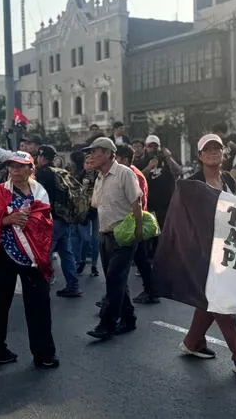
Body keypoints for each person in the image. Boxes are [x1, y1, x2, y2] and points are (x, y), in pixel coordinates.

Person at [0, 151, 58, 368]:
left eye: (20, 166)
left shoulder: (40, 192)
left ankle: (44, 353)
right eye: (12, 166)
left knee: (39, 306)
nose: (15, 171)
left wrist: (30, 222)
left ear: (30, 169)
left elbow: (45, 223)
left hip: (33, 258)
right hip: (4, 257)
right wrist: (6, 219)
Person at [181, 134, 236, 376]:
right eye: (208, 149)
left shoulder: (229, 181)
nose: (213, 152)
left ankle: (192, 342)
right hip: (201, 252)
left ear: (223, 153)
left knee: (211, 300)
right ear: (200, 155)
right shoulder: (191, 184)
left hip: (227, 249)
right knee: (220, 299)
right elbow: (184, 221)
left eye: (217, 148)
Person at [84, 137, 142, 340]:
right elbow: (94, 204)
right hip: (105, 234)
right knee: (117, 279)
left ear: (109, 153)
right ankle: (129, 318)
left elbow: (137, 203)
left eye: (95, 151)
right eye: (90, 152)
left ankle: (107, 323)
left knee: (114, 279)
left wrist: (137, 233)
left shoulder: (124, 173)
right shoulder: (99, 177)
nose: (91, 155)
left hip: (123, 235)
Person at [35, 145, 81, 298]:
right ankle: (73, 285)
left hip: (51, 220)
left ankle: (43, 287)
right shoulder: (60, 172)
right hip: (65, 218)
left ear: (41, 156)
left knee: (44, 254)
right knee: (66, 253)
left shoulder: (42, 174)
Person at [115, 145, 157, 304]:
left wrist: (136, 226)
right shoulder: (130, 173)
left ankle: (115, 299)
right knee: (140, 260)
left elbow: (137, 202)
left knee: (123, 264)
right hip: (131, 223)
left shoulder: (132, 175)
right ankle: (151, 290)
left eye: (116, 158)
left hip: (133, 223)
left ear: (124, 159)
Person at [141, 135, 180, 229]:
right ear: (146, 147)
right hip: (150, 208)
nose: (153, 149)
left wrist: (168, 158)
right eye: (150, 146)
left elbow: (177, 172)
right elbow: (138, 179)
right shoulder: (142, 161)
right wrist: (148, 168)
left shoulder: (167, 160)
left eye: (155, 146)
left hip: (168, 207)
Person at [68, 151, 97, 277]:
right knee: (85, 239)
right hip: (83, 211)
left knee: (96, 240)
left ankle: (95, 266)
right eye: (87, 163)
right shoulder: (78, 176)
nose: (90, 165)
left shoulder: (100, 176)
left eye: (92, 163)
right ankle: (82, 260)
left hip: (97, 210)